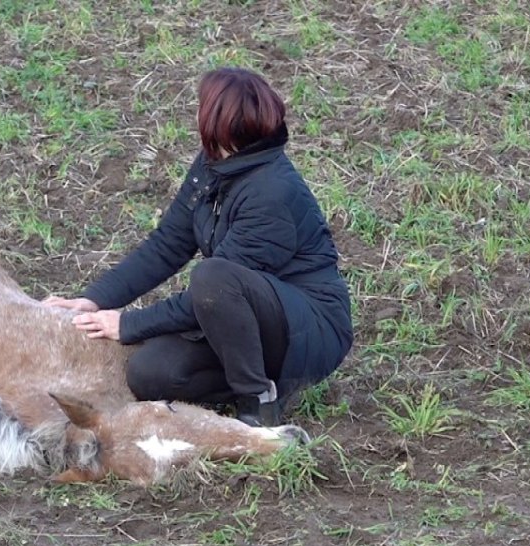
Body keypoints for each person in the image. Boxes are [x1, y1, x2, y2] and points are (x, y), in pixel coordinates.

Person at [44, 67, 353, 427]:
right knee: (149, 373)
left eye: (201, 106)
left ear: (218, 120)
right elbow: (167, 245)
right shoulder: (213, 166)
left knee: (213, 277)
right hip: (248, 318)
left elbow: (215, 291)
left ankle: (258, 403)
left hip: (309, 328)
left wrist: (128, 324)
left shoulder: (272, 193)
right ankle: (249, 382)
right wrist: (97, 299)